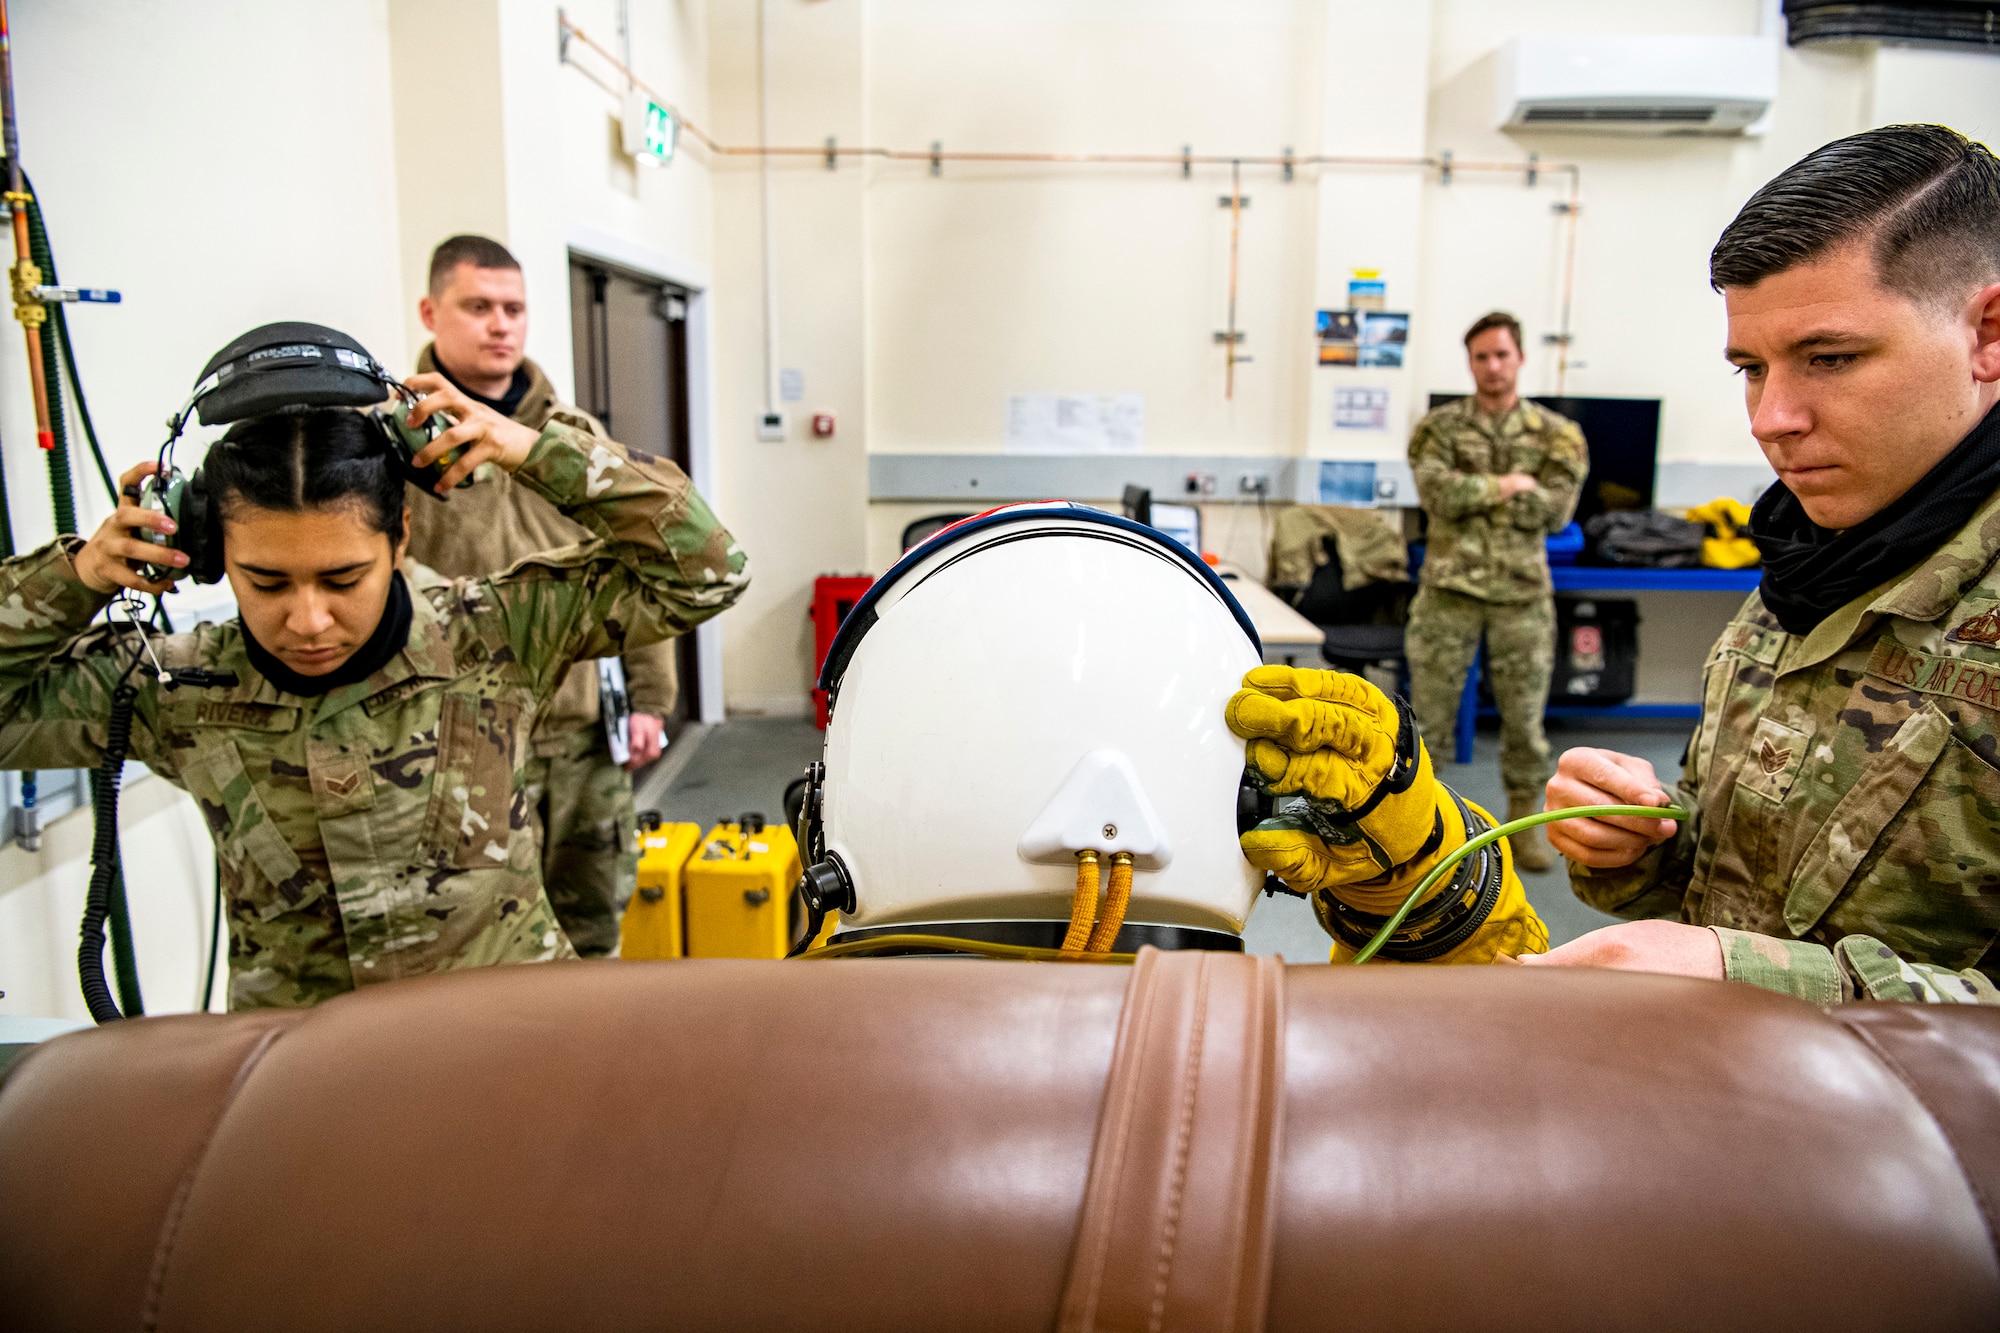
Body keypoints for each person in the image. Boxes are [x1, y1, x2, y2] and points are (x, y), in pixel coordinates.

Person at [0, 322, 747, 1008]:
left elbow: (709, 569)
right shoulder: (179, 687)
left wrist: (533, 449)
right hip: (301, 1079)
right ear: (205, 550)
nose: (309, 620)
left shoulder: (497, 632)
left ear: (401, 538)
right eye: (265, 582)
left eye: (342, 578)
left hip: (508, 1049)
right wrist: (80, 575)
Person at [1539, 124, 2000, 1004]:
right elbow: (1751, 877)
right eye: (1751, 367)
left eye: (1830, 358)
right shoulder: (1812, 557)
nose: (1770, 418)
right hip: (1747, 1106)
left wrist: (1744, 975)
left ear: (1988, 332)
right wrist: (1646, 839)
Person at [404, 234, 679, 956]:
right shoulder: (396, 442)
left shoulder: (570, 435)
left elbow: (639, 559)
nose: (501, 324)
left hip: (580, 733)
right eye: (479, 306)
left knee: (591, 922)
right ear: (432, 312)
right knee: (473, 937)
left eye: (514, 308)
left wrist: (650, 697)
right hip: (459, 741)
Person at [1405, 312, 1589, 874]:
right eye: (1481, 356)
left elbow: (1555, 512)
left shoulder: (1557, 434)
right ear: (1470, 362)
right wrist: (1508, 484)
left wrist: (1473, 491)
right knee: (1426, 722)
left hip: (1520, 595)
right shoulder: (1437, 427)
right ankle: (1417, 829)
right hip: (1448, 592)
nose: (1492, 366)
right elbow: (1437, 495)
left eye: (1501, 355)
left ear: (1520, 358)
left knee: (1524, 723)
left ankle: (1522, 825)